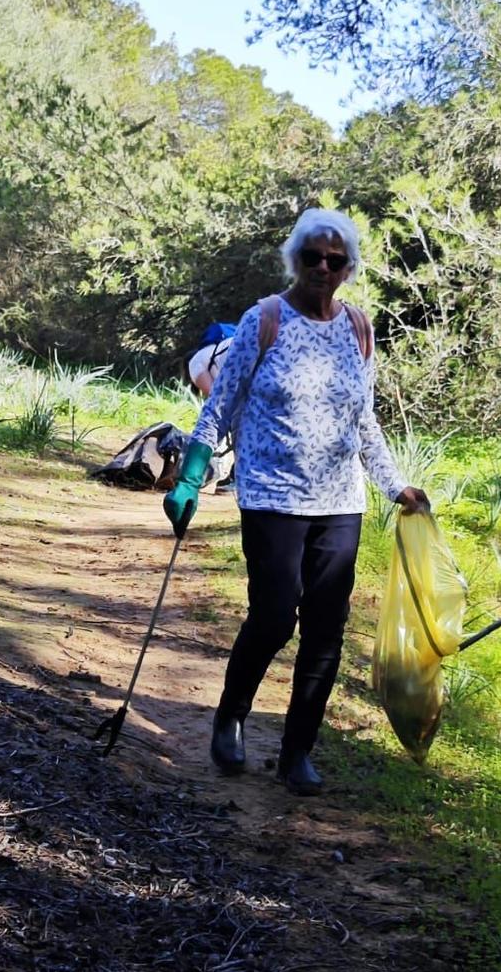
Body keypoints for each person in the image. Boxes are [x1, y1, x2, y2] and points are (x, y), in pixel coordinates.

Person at [161, 209, 428, 796]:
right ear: (295, 259)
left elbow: (365, 424)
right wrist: (189, 477)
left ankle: (297, 749)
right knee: (276, 615)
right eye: (313, 257)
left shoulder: (359, 328)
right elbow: (220, 407)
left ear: (349, 268)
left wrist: (395, 486)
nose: (323, 269)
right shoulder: (266, 319)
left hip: (339, 501)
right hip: (272, 497)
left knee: (327, 628)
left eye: (336, 260)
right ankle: (230, 716)